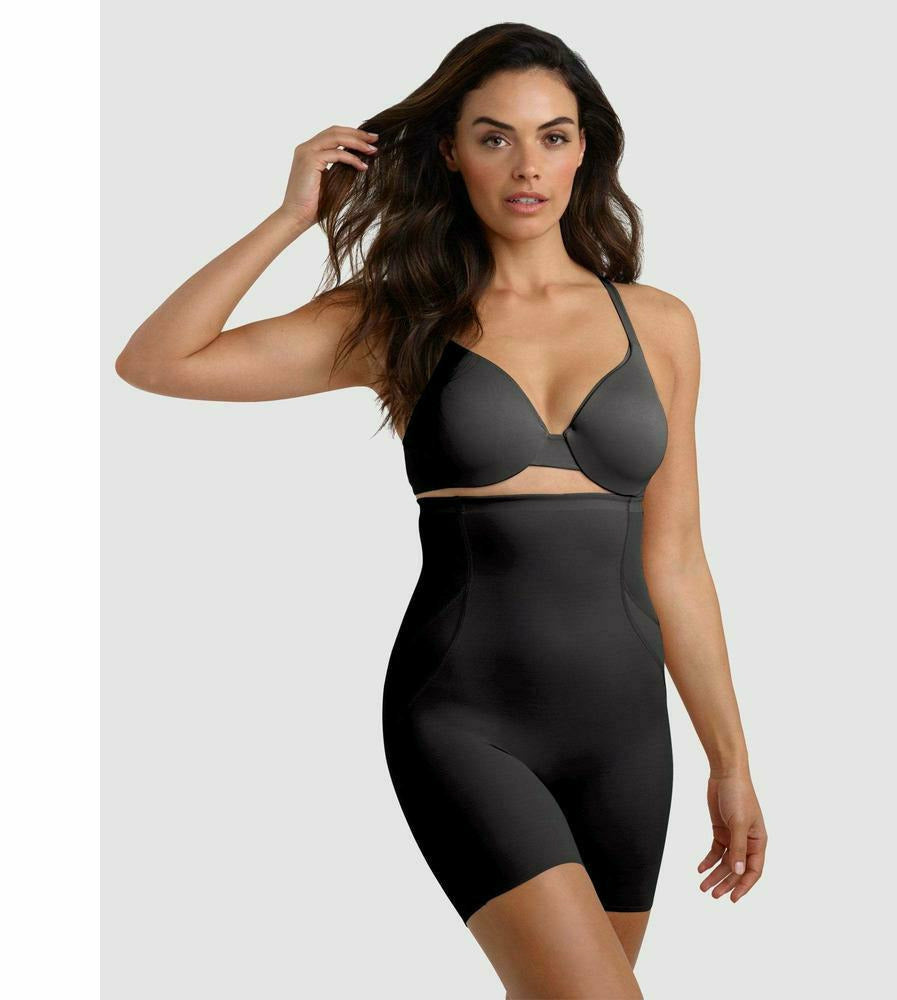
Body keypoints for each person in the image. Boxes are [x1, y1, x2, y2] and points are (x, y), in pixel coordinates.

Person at [115, 22, 767, 999]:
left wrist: (731, 760)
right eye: (494, 136)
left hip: (625, 737)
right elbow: (158, 361)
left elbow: (676, 561)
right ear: (452, 152)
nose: (527, 165)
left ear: (584, 149)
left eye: (552, 136)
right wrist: (292, 217)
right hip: (465, 720)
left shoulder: (660, 324)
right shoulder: (396, 317)